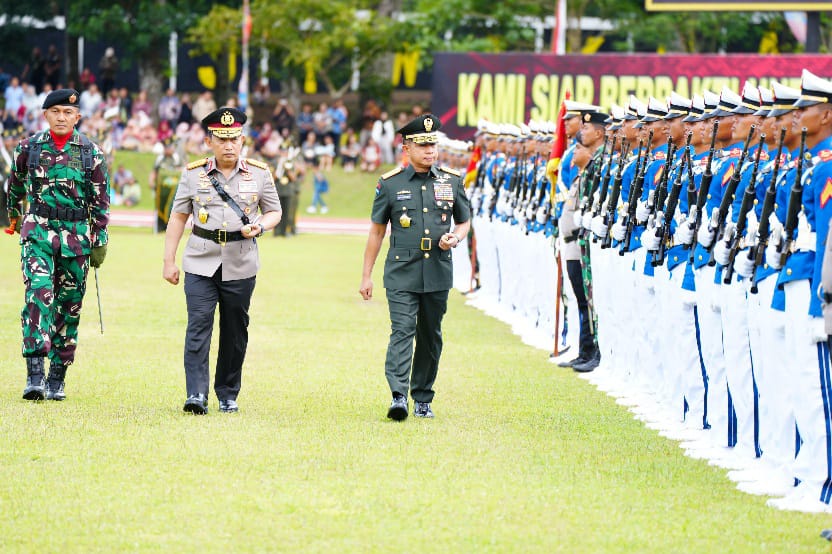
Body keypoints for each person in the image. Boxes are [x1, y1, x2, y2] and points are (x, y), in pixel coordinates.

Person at [163, 107, 282, 415]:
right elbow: (177, 218)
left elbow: (274, 211)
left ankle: (228, 393)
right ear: (209, 141)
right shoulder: (193, 174)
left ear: (243, 140)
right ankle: (196, 394)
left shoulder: (259, 173)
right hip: (200, 261)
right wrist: (169, 261)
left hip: (241, 263)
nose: (229, 145)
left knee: (235, 329)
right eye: (222, 139)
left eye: (235, 138)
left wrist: (261, 226)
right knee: (198, 326)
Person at [359, 114, 471, 420]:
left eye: (432, 144)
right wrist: (366, 275)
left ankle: (423, 397)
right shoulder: (390, 183)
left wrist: (455, 237)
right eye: (422, 145)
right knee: (403, 330)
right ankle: (398, 395)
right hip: (402, 270)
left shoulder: (451, 180)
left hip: (437, 269)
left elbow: (464, 221)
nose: (430, 151)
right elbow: (377, 230)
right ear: (406, 147)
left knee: (430, 334)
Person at [5, 88, 110, 401]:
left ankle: (57, 378)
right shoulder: (29, 147)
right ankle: (34, 375)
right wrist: (14, 221)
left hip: (76, 239)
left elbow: (101, 201)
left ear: (77, 117)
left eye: (68, 113)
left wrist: (99, 240)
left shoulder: (91, 152)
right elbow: (14, 188)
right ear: (45, 115)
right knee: (39, 295)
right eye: (56, 112)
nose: (62, 117)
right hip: (38, 232)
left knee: (69, 306)